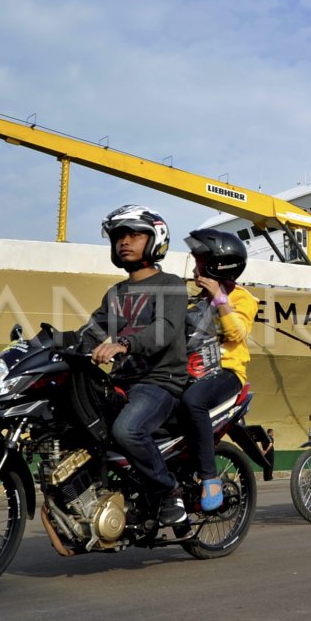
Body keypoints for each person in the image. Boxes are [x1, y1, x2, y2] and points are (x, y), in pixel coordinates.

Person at [79, 204, 190, 525]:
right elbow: (92, 332)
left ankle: (169, 491)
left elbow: (164, 330)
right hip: (121, 384)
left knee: (127, 430)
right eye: (118, 237)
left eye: (133, 235)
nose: (124, 242)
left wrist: (124, 344)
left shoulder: (170, 284)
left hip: (159, 382)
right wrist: (45, 345)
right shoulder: (115, 293)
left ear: (154, 239)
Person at [178, 228, 260, 510]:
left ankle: (210, 478)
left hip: (225, 373)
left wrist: (219, 298)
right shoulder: (192, 297)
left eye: (200, 258)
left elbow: (237, 333)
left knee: (194, 401)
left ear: (217, 263)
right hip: (190, 371)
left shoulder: (242, 299)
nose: (195, 264)